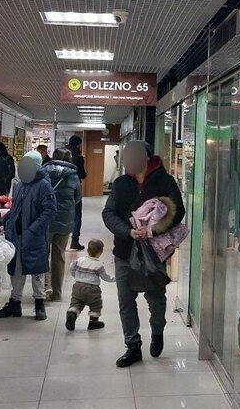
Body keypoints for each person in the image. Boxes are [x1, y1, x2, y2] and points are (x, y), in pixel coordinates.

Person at [103, 140, 185, 367]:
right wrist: (128, 231)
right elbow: (108, 213)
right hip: (124, 249)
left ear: (147, 157)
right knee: (126, 300)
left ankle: (157, 331)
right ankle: (133, 346)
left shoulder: (165, 181)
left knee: (156, 299)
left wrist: (152, 229)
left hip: (153, 252)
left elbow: (178, 211)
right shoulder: (121, 184)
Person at [0, 153, 57, 320]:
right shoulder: (20, 185)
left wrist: (34, 229)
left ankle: (39, 303)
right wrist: (3, 220)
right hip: (16, 234)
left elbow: (50, 210)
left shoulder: (44, 185)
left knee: (37, 269)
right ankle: (15, 302)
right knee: (16, 268)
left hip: (34, 236)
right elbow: (15, 209)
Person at [45, 148, 81, 301]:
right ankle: (57, 293)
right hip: (65, 220)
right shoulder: (74, 176)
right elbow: (77, 198)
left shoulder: (44, 172)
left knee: (43, 253)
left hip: (46, 219)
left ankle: (45, 286)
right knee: (59, 256)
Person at [66, 239, 115, 332]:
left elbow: (71, 267)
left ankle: (72, 313)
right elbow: (105, 277)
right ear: (100, 252)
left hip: (77, 286)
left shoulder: (80, 260)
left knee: (76, 302)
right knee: (96, 305)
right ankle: (93, 322)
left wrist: (76, 276)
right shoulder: (99, 265)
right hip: (92, 289)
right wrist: (115, 279)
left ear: (88, 250)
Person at [67, 135, 87, 251]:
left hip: (60, 189)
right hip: (74, 189)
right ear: (79, 144)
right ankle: (74, 242)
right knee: (77, 216)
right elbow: (82, 174)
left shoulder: (61, 154)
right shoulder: (78, 157)